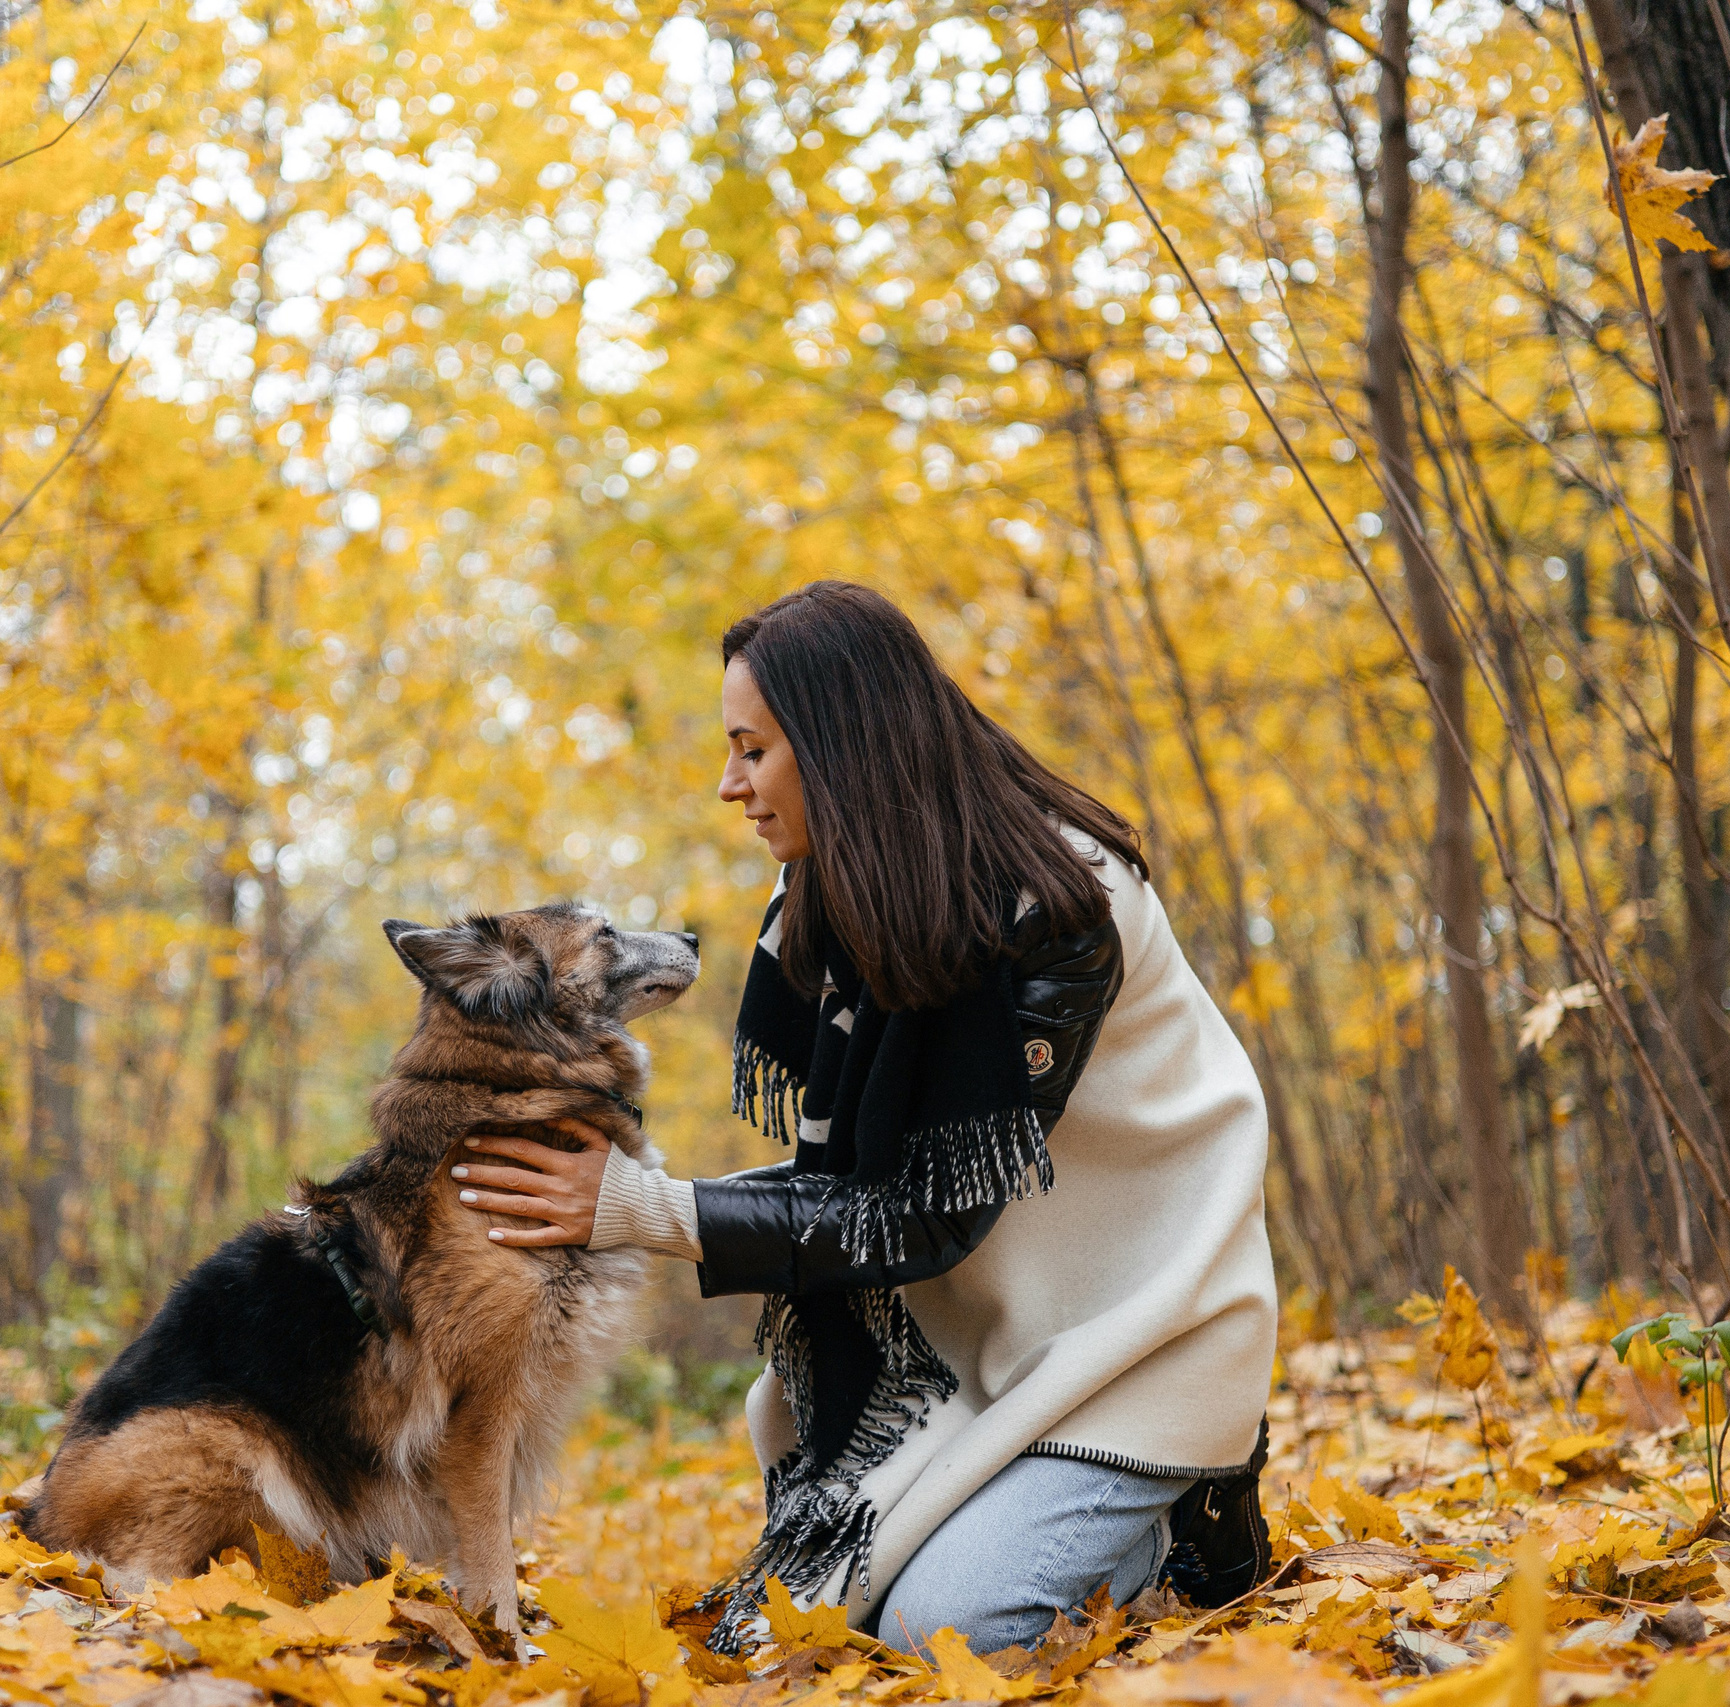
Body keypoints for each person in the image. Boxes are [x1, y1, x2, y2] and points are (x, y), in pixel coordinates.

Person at [448, 581, 1276, 1653]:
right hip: (971, 1338)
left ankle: (1181, 1514)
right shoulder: (832, 902)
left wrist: (643, 1208)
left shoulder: (1060, 903)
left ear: (839, 743)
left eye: (751, 749)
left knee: (949, 1631)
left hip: (1138, 1336)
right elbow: (846, 1181)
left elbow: (928, 1212)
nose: (726, 784)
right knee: (811, 1630)